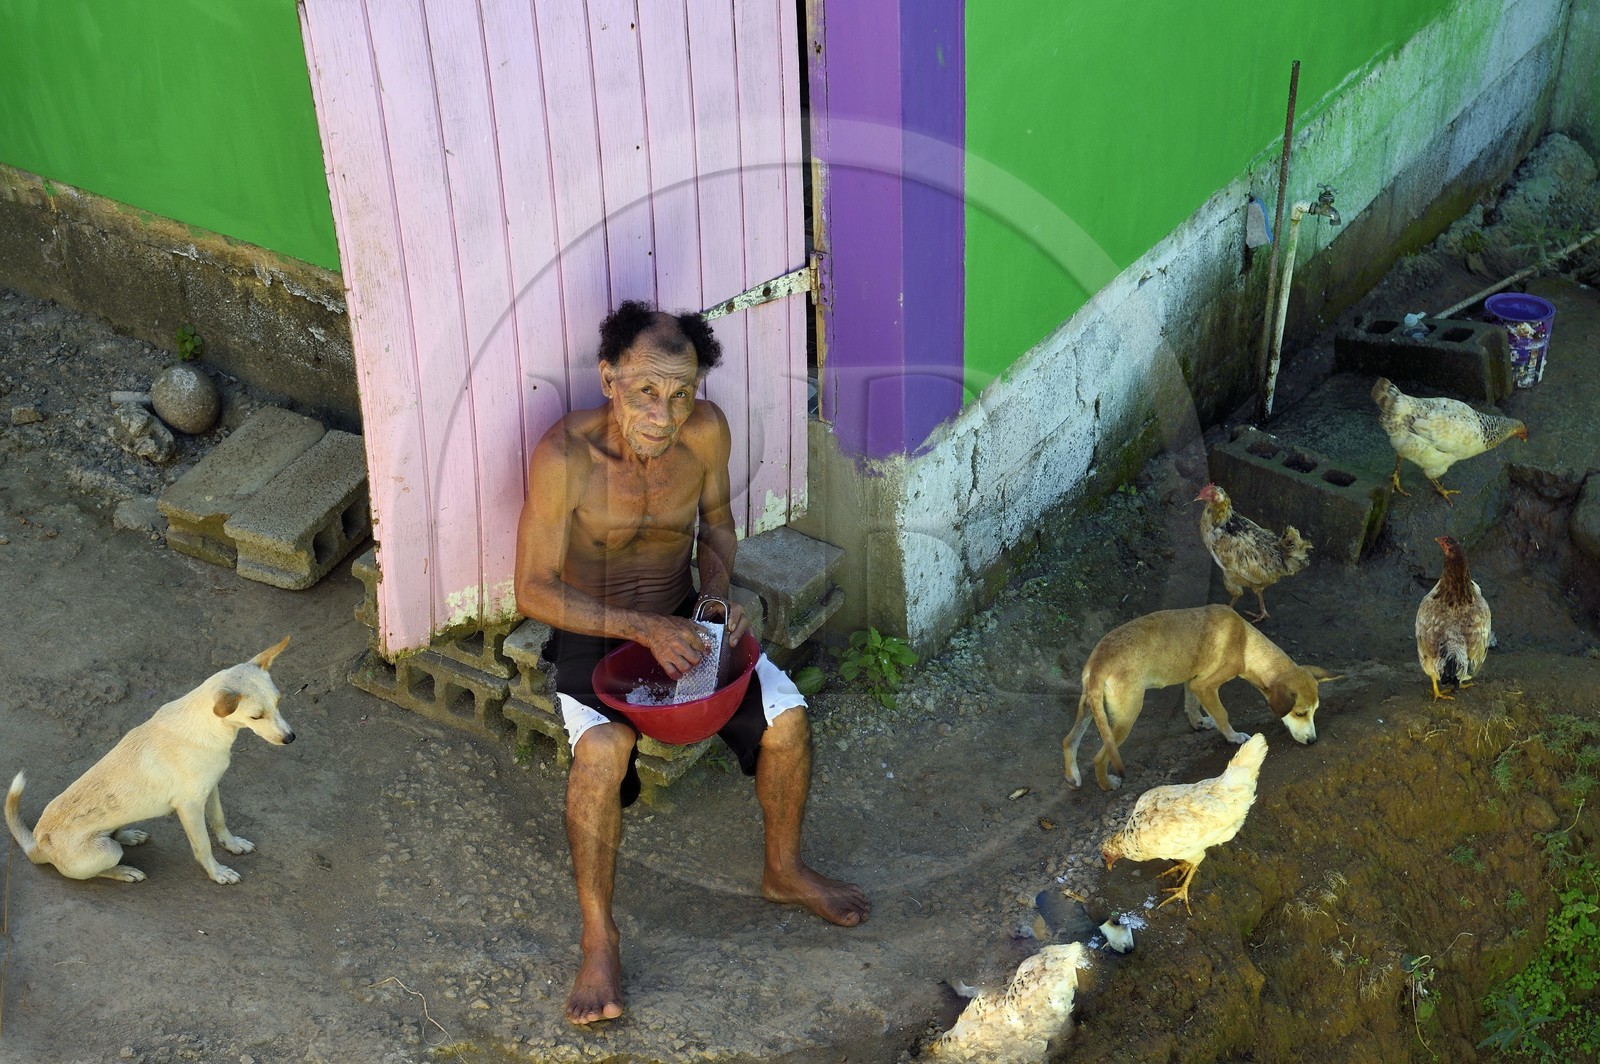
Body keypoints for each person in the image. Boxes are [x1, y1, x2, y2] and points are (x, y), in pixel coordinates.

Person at [514, 300, 870, 1025]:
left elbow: (719, 528)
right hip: (595, 630)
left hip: (682, 615)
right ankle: (599, 938)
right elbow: (534, 589)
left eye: (681, 393)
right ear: (609, 380)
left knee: (788, 720)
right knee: (601, 754)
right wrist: (642, 628)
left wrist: (713, 595)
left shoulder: (706, 433)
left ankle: (783, 870)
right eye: (646, 391)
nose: (664, 413)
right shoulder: (565, 457)